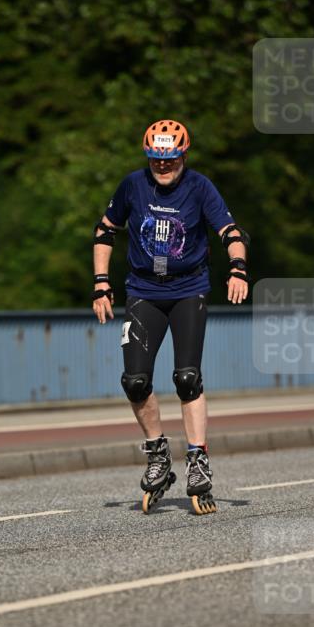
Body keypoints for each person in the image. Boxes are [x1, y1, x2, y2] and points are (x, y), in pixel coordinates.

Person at [91, 120, 250, 514]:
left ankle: (197, 460)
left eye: (170, 160)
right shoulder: (132, 185)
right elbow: (104, 231)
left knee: (187, 377)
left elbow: (231, 232)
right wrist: (100, 285)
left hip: (187, 290)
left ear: (183, 155)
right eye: (156, 160)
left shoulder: (199, 187)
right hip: (143, 291)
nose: (163, 167)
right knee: (134, 381)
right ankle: (158, 454)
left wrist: (238, 269)